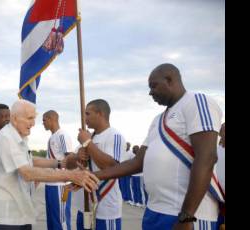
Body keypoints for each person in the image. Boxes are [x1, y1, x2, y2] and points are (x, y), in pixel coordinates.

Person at [93, 63, 224, 230]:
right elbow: (137, 163)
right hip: (154, 211)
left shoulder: (197, 102)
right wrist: (93, 176)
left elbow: (207, 157)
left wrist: (186, 216)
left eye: (153, 86)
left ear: (170, 80)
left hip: (187, 216)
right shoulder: (157, 121)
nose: (150, 92)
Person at [0, 99, 99, 230]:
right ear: (15, 118)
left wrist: (58, 163)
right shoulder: (7, 138)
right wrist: (72, 175)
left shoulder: (18, 137)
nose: (33, 123)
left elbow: (30, 160)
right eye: (29, 118)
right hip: (8, 216)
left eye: (34, 118)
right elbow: (27, 172)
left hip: (19, 211)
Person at [66, 99, 126, 230]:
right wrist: (77, 155)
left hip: (106, 208)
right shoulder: (88, 136)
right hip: (84, 206)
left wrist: (88, 144)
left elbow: (112, 167)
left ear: (100, 114)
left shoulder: (114, 135)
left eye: (88, 113)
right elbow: (68, 165)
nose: (84, 118)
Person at [42, 110, 74, 230]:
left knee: (61, 221)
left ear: (51, 119)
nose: (43, 123)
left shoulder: (62, 135)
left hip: (60, 185)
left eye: (44, 120)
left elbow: (70, 159)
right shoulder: (52, 137)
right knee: (52, 220)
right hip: (50, 184)